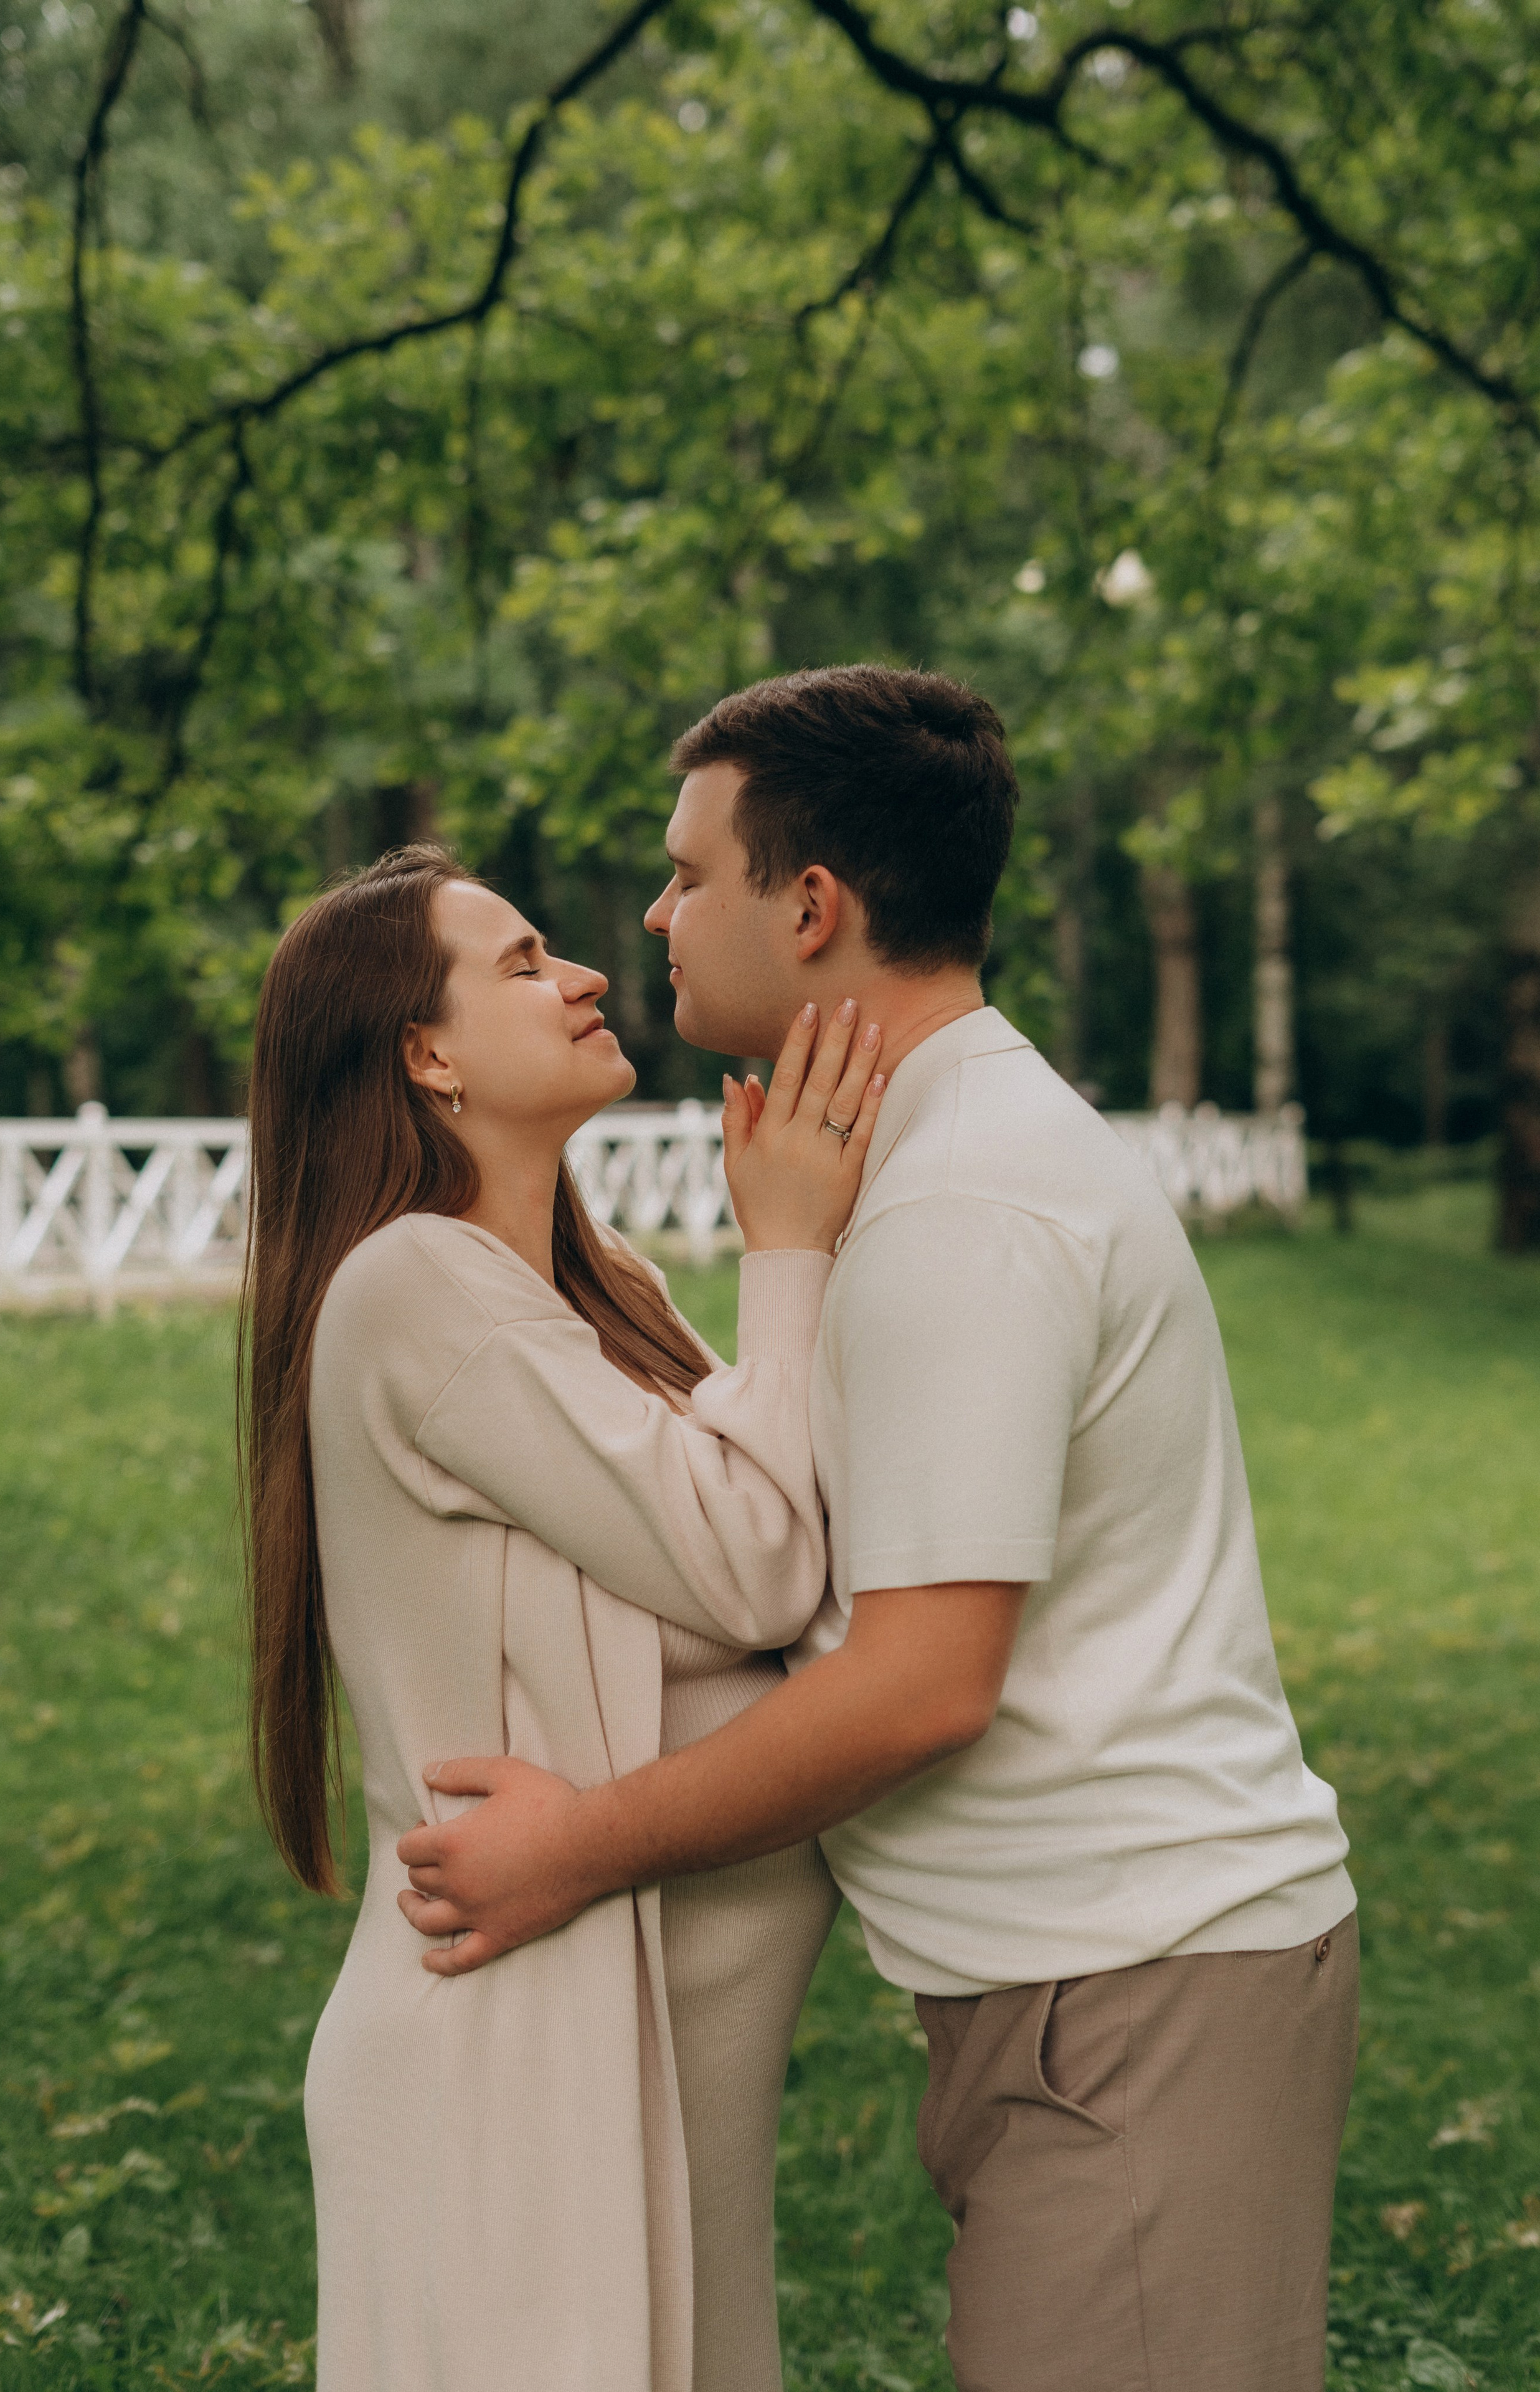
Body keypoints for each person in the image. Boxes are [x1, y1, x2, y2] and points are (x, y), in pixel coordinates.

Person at [397, 666, 1361, 2392]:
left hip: (1137, 1983)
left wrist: (578, 1844)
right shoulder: (924, 1169)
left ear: (816, 905)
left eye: (690, 872)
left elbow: (922, 1684)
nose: (652, 913)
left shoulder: (963, 1208)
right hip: (1087, 1982)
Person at [236, 842, 888, 2392]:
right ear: (427, 1055)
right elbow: (755, 1566)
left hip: (654, 2070)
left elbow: (790, 1519)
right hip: (514, 2062)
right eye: (523, 963)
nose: (588, 970)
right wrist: (786, 1248)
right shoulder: (412, 1288)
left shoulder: (607, 1301)